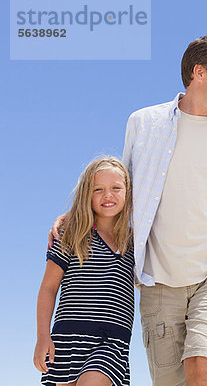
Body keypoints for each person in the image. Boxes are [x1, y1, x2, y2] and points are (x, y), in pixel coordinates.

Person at [50, 35, 207, 386]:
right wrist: (77, 213)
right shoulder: (144, 123)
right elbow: (124, 188)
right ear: (199, 73)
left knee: (202, 364)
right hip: (158, 277)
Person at [34, 157, 135, 386]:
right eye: (98, 189)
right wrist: (42, 336)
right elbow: (49, 288)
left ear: (128, 193)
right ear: (86, 195)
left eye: (116, 188)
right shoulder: (71, 234)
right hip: (68, 339)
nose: (108, 195)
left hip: (111, 341)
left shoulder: (134, 242)